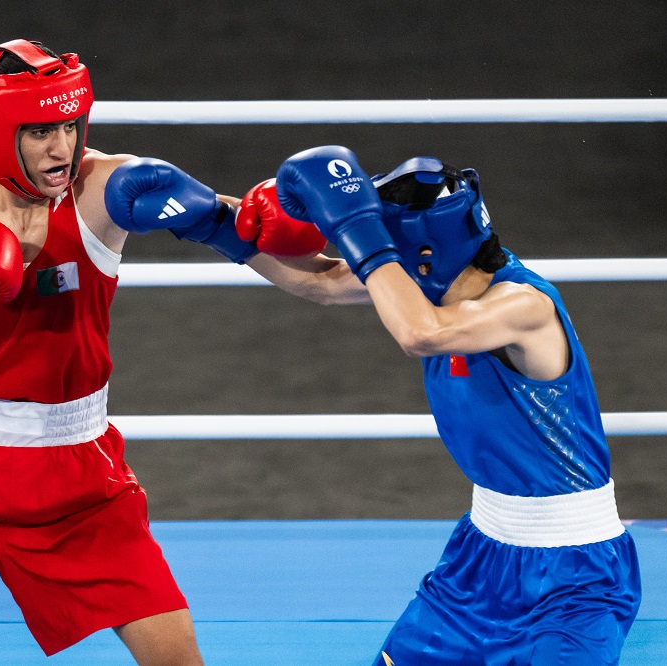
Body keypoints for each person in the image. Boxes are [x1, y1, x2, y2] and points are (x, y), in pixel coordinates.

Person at [0, 40, 366, 666]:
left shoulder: (106, 189)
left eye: (71, 125)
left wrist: (408, 273)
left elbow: (313, 280)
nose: (62, 149)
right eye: (41, 130)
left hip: (79, 482)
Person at [267, 145, 641, 665]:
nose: (378, 270)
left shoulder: (522, 306)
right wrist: (213, 220)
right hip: (477, 560)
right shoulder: (439, 284)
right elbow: (322, 284)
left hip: (574, 580)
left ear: (419, 256)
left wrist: (367, 237)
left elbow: (420, 334)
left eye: (388, 255)